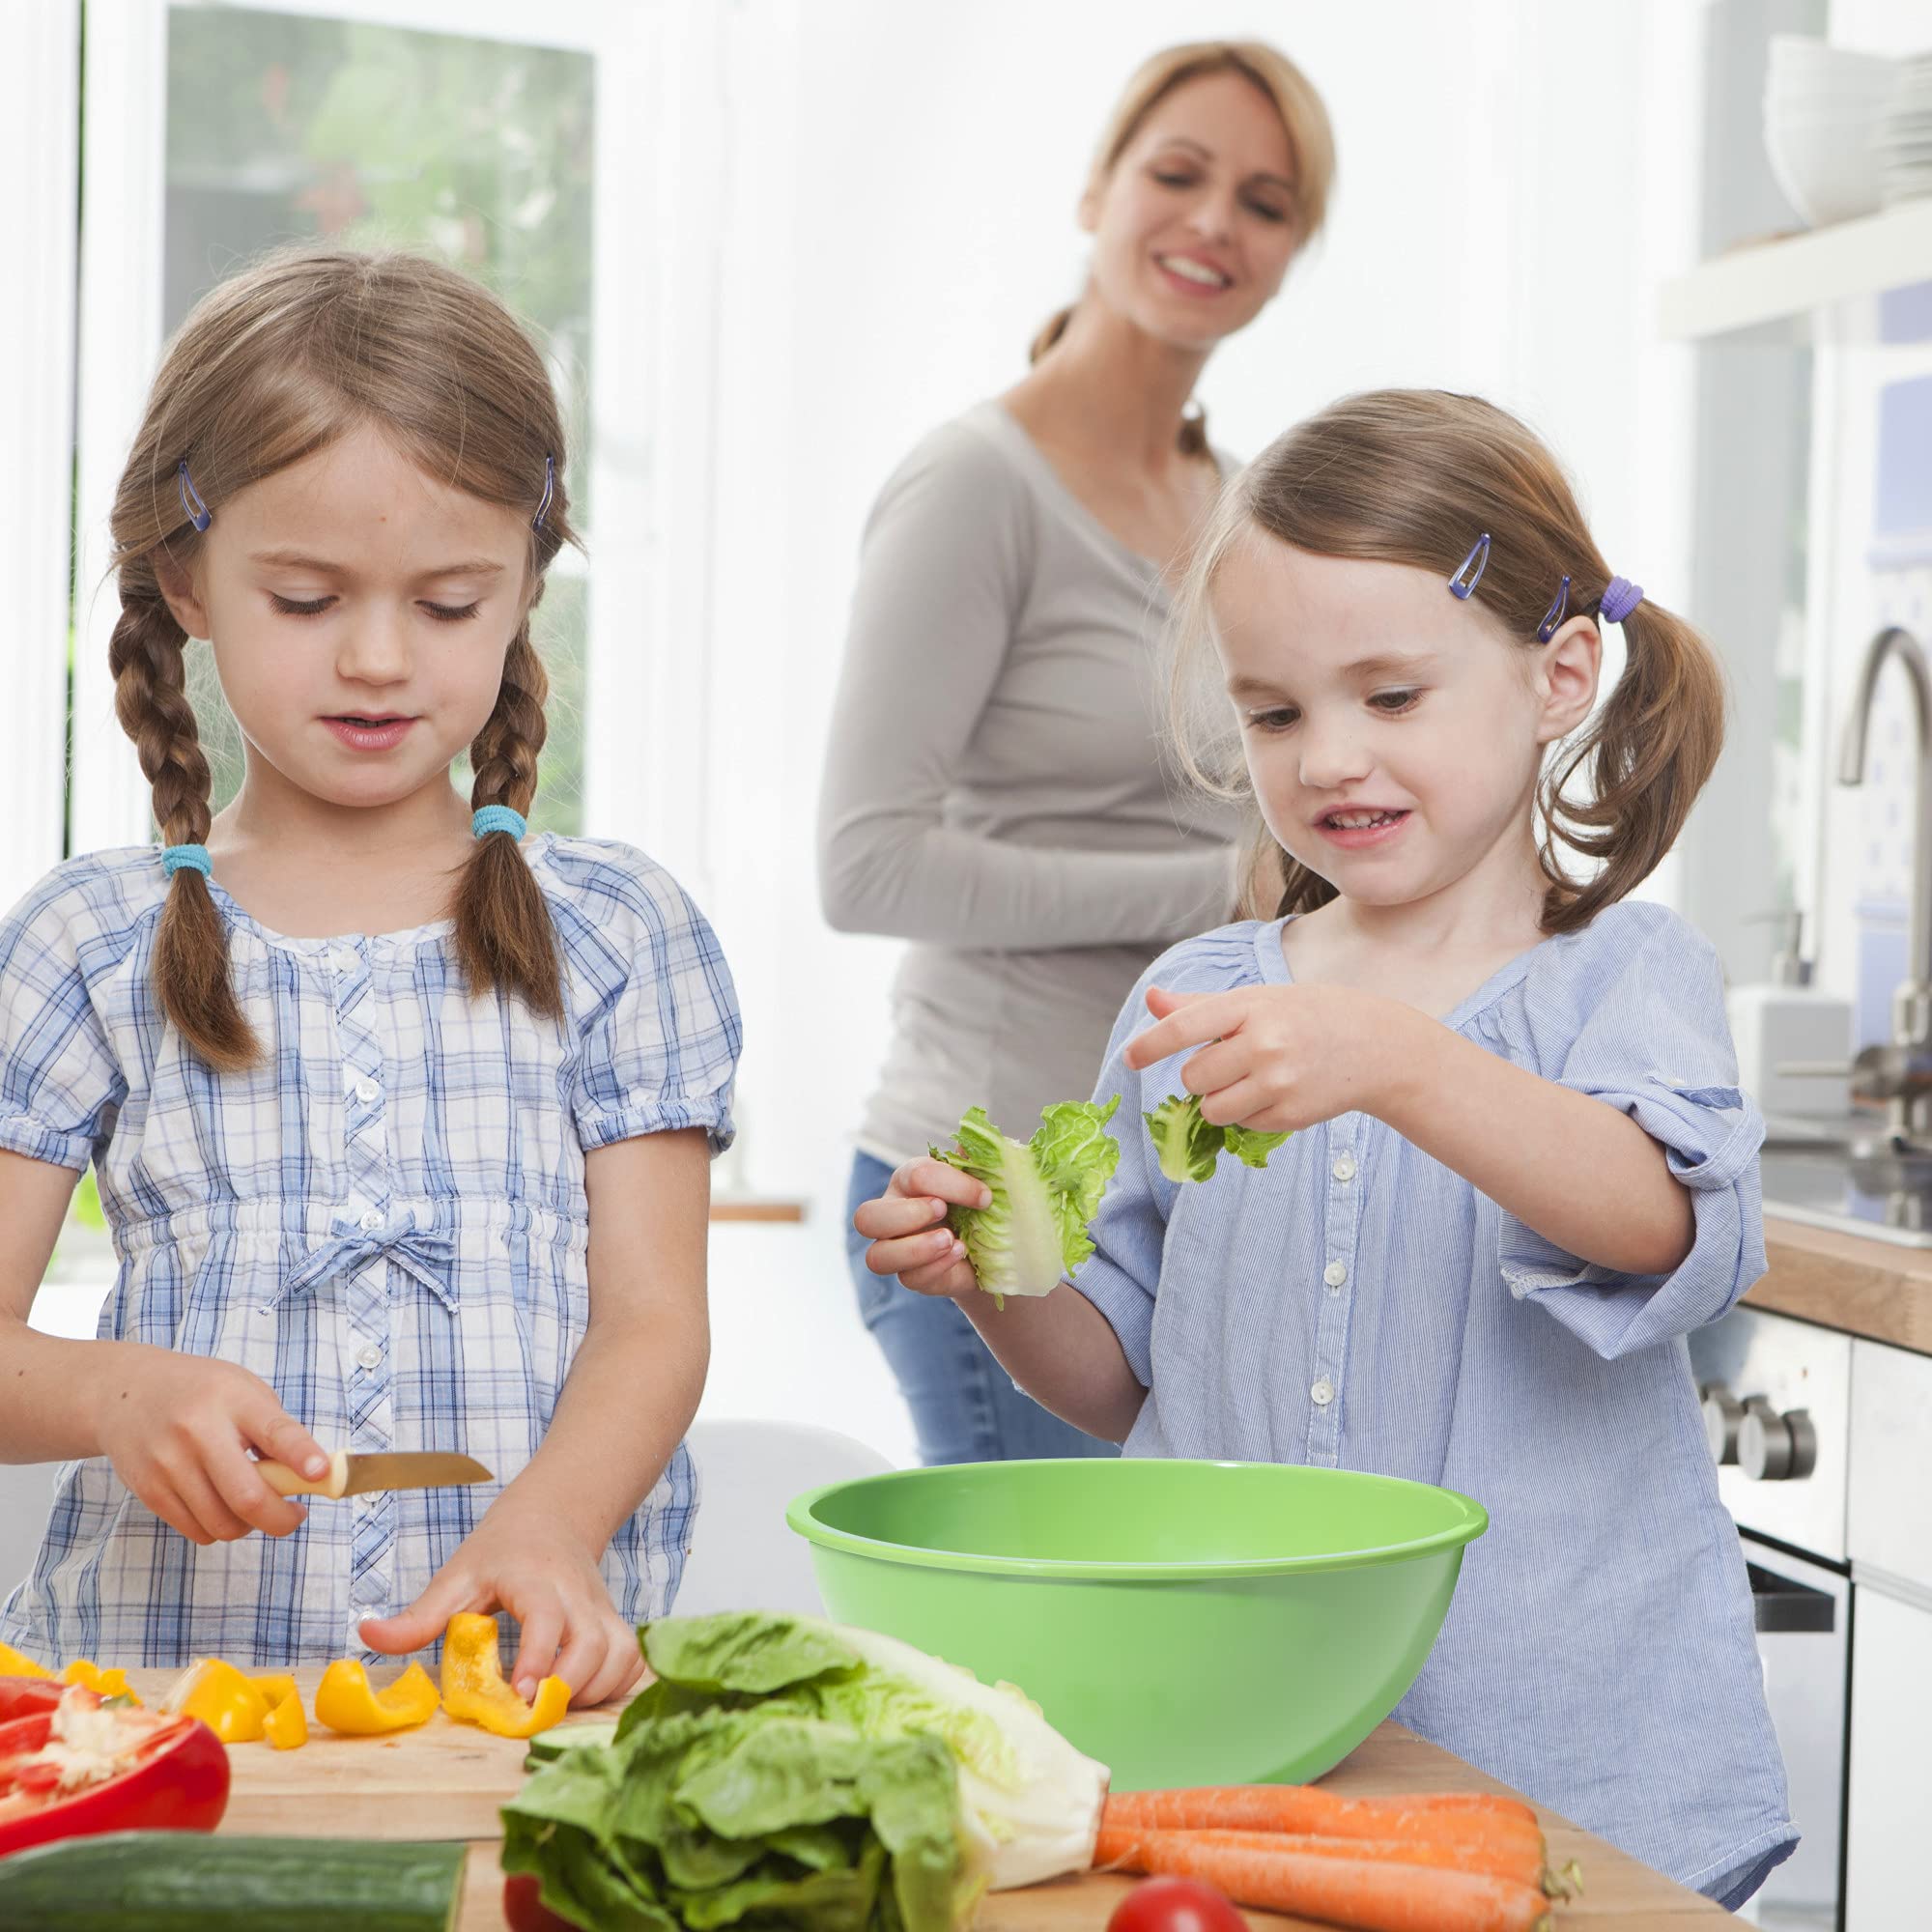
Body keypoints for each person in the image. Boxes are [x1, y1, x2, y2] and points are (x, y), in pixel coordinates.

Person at [855, 390, 1798, 1905]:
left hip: (1571, 1764)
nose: (1330, 760)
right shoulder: (1202, 998)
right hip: (1245, 1750)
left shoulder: (1624, 976)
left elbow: (1666, 1225)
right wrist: (994, 1276)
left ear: (1557, 678)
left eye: (1393, 697)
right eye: (1277, 713)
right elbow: (1119, 1381)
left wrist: (1402, 1065)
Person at [0, 248, 739, 1710]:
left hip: (523, 1697)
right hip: (155, 1713)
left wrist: (549, 1529)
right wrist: (114, 1392)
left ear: (527, 581)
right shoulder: (85, 939)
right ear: (187, 578)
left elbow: (654, 1320)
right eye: (309, 597)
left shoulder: (616, 927)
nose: (382, 658)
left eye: (452, 604)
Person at [819, 39, 1335, 1465]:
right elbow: (866, 869)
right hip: (988, 1185)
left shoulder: (1239, 502)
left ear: (1294, 251)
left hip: (1167, 1190)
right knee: (1047, 1678)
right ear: (1097, 191)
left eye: (1267, 201)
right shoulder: (977, 487)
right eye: (1177, 175)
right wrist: (1204, 892)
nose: (1216, 223)